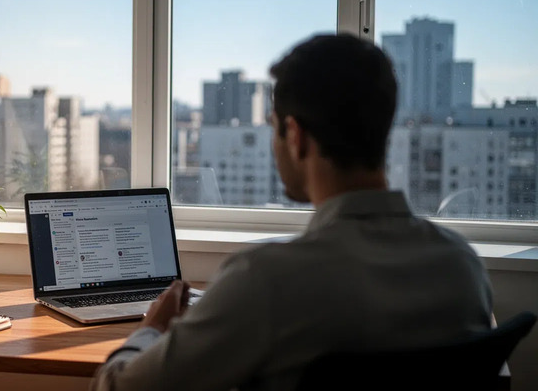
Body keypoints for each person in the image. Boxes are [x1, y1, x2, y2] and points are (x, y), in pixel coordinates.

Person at [90, 34, 493, 391]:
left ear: (295, 136)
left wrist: (151, 330)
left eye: (272, 127)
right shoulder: (462, 266)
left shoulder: (265, 280)